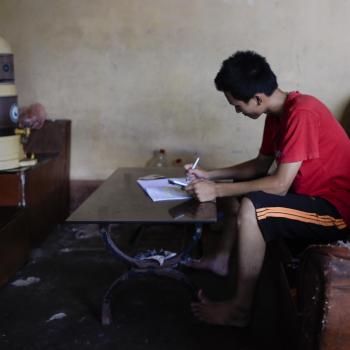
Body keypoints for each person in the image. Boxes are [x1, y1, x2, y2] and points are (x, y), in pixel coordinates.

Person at [184, 50, 350, 327]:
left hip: (335, 212)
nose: (238, 111)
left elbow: (280, 184)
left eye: (238, 105)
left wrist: (216, 191)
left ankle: (240, 310)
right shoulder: (277, 116)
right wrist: (210, 175)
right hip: (309, 199)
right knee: (238, 187)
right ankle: (221, 260)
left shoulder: (303, 112)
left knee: (253, 208)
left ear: (258, 98)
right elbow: (260, 165)